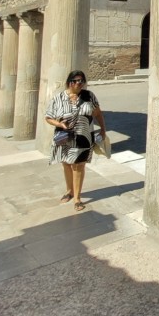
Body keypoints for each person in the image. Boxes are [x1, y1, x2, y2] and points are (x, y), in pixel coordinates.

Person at [44, 71, 107, 211]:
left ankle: (77, 198)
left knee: (78, 166)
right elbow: (48, 117)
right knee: (66, 164)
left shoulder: (89, 96)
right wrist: (59, 124)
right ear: (69, 82)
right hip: (64, 137)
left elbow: (98, 114)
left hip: (83, 138)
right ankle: (69, 191)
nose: (79, 84)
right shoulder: (58, 98)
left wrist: (103, 129)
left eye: (81, 81)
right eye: (76, 81)